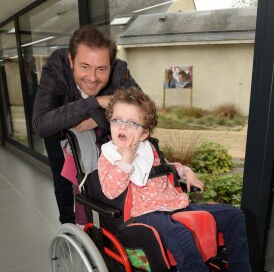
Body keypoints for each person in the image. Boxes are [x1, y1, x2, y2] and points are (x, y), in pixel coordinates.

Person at [98, 87, 251, 272]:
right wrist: (126, 161)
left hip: (175, 204)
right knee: (180, 235)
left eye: (132, 123)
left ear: (145, 133)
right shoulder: (108, 155)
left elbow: (167, 166)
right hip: (146, 213)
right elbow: (110, 190)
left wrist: (186, 172)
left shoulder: (149, 149)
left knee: (234, 215)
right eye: (117, 120)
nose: (122, 126)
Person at [32, 24, 140, 224]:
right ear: (71, 60)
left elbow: (144, 112)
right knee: (63, 182)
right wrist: (95, 102)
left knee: (102, 180)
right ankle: (68, 228)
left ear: (111, 64)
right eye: (84, 67)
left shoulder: (120, 70)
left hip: (101, 137)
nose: (92, 78)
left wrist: (97, 118)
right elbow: (41, 124)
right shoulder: (56, 67)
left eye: (101, 69)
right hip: (59, 133)